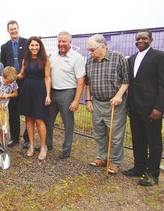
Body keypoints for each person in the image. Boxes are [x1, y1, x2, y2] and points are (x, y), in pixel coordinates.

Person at [122, 29, 164, 186]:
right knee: (138, 139)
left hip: (151, 108)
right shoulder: (132, 59)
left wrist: (159, 107)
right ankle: (139, 167)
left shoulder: (159, 56)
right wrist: (128, 106)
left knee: (153, 141)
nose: (140, 41)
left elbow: (162, 84)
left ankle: (152, 174)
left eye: (144, 38)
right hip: (134, 107)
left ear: (151, 40)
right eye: (138, 38)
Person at [85, 34, 129, 174]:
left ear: (103, 46)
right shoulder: (90, 62)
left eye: (92, 50)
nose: (90, 53)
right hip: (97, 103)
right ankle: (102, 157)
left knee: (115, 135)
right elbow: (88, 83)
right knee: (99, 133)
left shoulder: (118, 57)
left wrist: (118, 96)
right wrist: (88, 100)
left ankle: (115, 162)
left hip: (114, 103)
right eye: (89, 50)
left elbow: (126, 81)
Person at [46, 31, 85, 160]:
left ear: (70, 42)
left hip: (67, 93)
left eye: (64, 41)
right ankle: (48, 144)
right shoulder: (52, 56)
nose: (61, 44)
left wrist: (76, 100)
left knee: (68, 123)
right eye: (59, 41)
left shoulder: (77, 57)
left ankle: (66, 149)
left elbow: (81, 81)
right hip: (53, 92)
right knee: (48, 121)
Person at [17, 36, 51, 160]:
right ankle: (31, 145)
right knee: (29, 119)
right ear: (28, 47)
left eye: (37, 45)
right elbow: (22, 74)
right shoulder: (25, 59)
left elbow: (47, 78)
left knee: (39, 120)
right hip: (27, 90)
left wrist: (48, 95)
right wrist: (13, 76)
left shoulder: (45, 59)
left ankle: (43, 146)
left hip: (40, 90)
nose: (34, 47)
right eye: (32, 45)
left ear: (40, 46)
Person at [0, 20, 30, 149]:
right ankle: (14, 138)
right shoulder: (4, 46)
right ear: (8, 31)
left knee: (28, 110)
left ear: (18, 29)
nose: (13, 31)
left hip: (26, 81)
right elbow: (3, 64)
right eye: (11, 29)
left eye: (15, 28)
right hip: (12, 83)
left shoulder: (27, 43)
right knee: (13, 111)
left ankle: (27, 139)